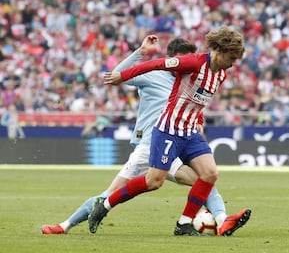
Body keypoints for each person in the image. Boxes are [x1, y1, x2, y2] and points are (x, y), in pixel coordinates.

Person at [42, 34, 251, 236]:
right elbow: (118, 73)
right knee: (120, 190)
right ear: (174, 57)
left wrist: (198, 122)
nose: (185, 61)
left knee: (206, 178)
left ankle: (218, 222)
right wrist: (140, 52)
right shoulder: (155, 76)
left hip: (181, 140)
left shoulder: (207, 75)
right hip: (151, 143)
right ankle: (66, 224)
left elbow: (197, 104)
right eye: (182, 57)